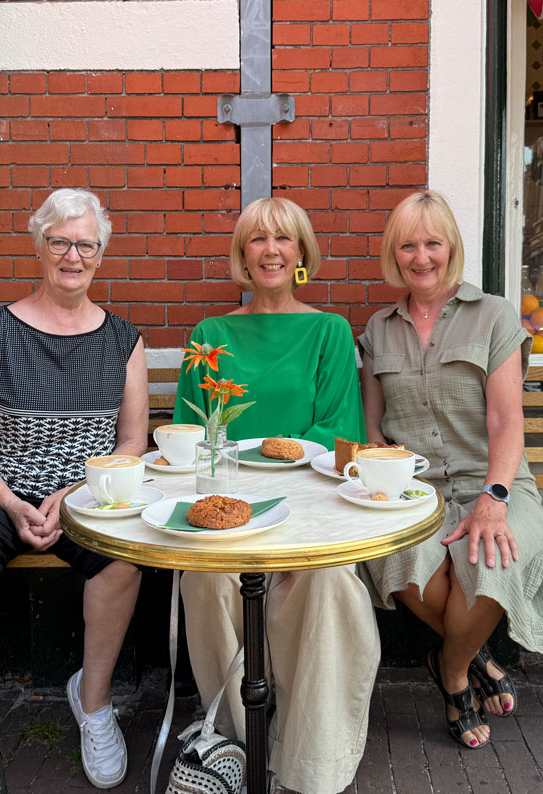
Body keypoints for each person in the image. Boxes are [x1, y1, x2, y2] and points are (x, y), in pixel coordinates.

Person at [0, 188, 148, 789]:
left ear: (101, 253)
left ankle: (95, 702)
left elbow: (133, 442)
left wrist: (77, 490)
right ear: (39, 246)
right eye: (60, 242)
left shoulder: (123, 340)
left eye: (86, 244)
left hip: (85, 495)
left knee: (122, 559)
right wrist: (10, 500)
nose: (72, 255)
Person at [174, 197, 380, 794]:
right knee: (203, 578)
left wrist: (260, 449)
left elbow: (341, 433)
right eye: (257, 239)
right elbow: (197, 435)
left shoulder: (330, 330)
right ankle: (235, 747)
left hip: (312, 504)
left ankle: (309, 764)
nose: (270, 250)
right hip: (229, 506)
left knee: (327, 582)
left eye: (283, 240)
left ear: (300, 254)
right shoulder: (209, 335)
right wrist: (250, 459)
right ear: (242, 253)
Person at [358, 190, 543, 750]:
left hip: (492, 479)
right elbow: (374, 433)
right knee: (403, 561)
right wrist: (384, 494)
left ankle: (450, 673)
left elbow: (505, 419)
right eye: (408, 246)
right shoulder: (378, 330)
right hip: (413, 491)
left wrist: (494, 497)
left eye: (433, 243)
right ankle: (477, 656)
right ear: (393, 254)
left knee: (495, 554)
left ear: (452, 248)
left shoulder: (493, 314)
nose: (421, 257)